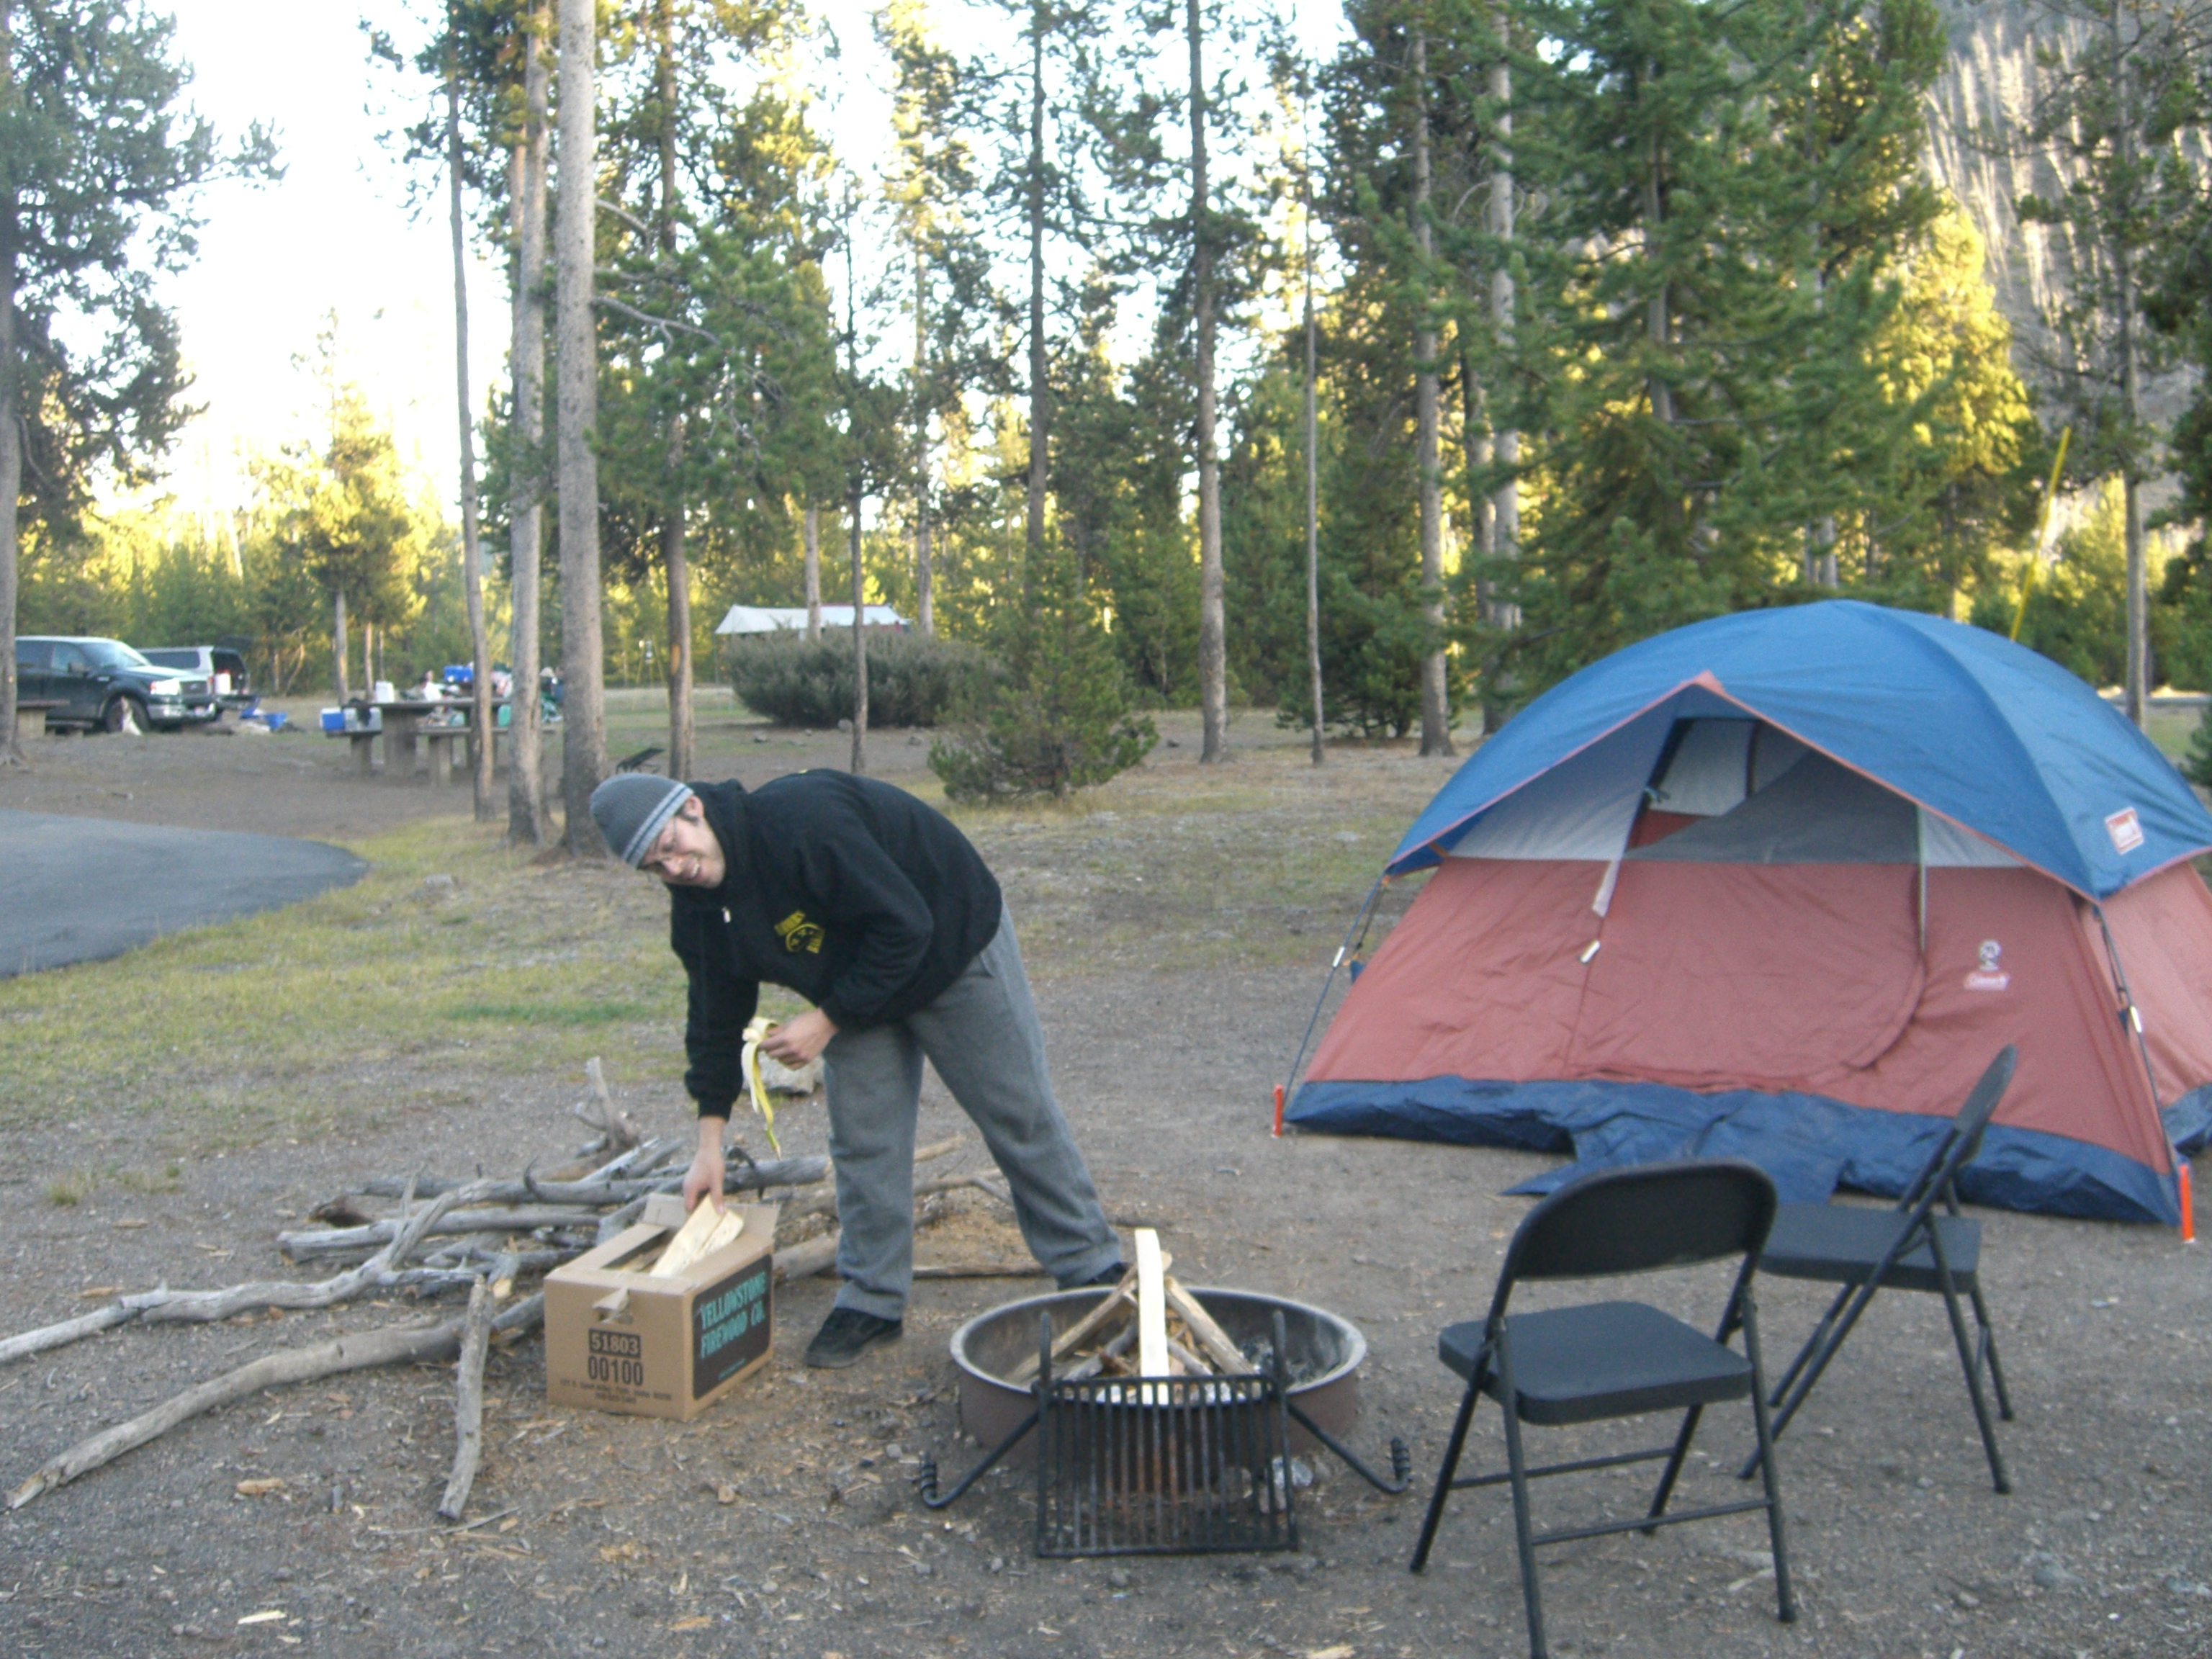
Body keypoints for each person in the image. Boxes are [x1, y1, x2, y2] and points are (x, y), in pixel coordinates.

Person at [590, 770, 1124, 1369]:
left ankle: (1090, 1266)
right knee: (863, 1140)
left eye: (671, 846)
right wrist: (708, 1144)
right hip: (849, 986)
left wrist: (824, 1023)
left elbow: (907, 924)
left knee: (1015, 1111)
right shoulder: (698, 909)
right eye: (655, 868)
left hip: (949, 942)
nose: (675, 868)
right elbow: (714, 1020)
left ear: (692, 808)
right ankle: (872, 1297)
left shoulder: (799, 825)